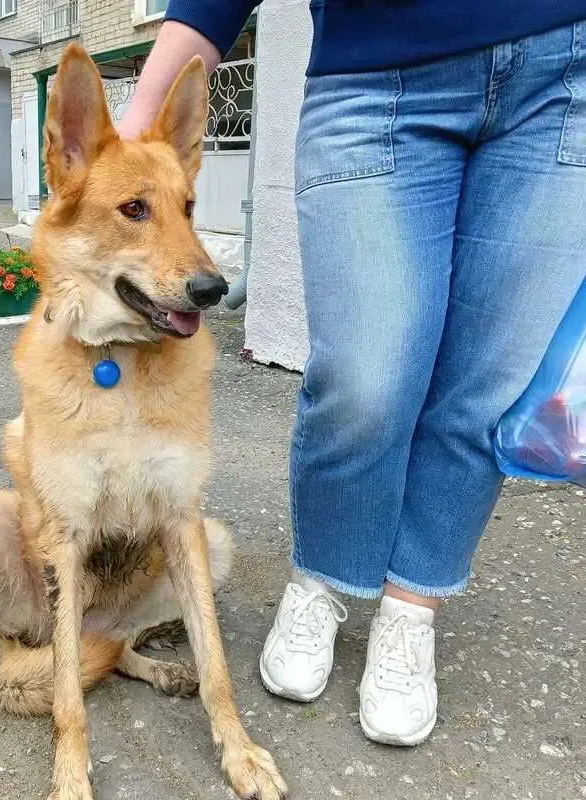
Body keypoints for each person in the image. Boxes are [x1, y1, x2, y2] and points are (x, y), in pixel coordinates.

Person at [117, 1, 586, 746]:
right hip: (377, 77)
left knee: (487, 388)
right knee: (365, 383)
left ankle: (410, 610)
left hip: (567, 74)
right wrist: (128, 142)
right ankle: (326, 578)